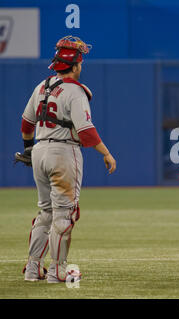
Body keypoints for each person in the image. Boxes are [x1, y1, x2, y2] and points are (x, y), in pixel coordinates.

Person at [20, 36, 116, 283]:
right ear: (74, 66)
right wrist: (105, 153)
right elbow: (86, 132)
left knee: (45, 213)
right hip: (63, 153)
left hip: (40, 149)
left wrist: (29, 148)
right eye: (80, 63)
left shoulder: (42, 86)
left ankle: (33, 269)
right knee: (63, 215)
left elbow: (26, 123)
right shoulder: (74, 90)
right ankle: (57, 270)